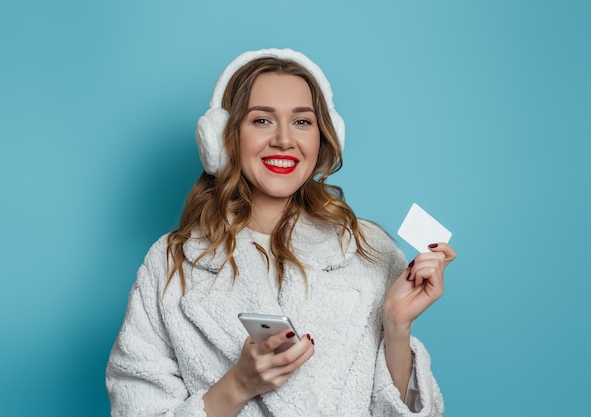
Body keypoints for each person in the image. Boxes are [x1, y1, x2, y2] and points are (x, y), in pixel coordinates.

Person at [106, 48, 457, 417]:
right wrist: (238, 385)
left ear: (323, 137)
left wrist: (397, 325)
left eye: (302, 122)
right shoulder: (168, 266)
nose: (284, 140)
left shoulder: (370, 251)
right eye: (261, 120)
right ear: (223, 137)